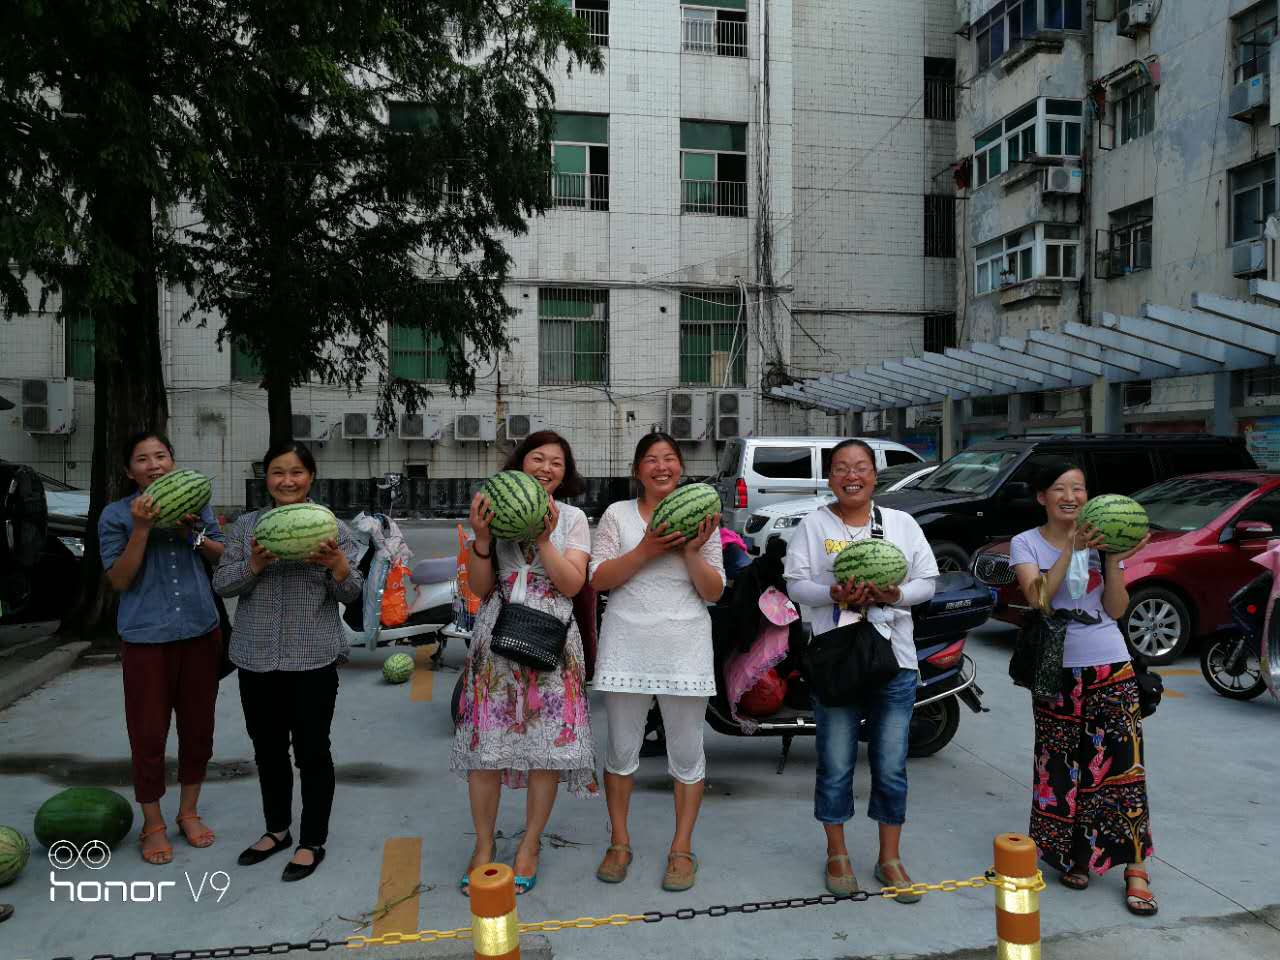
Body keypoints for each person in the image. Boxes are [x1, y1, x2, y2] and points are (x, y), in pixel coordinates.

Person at [783, 439, 938, 902]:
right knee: (835, 763)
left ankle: (889, 858)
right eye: (841, 468)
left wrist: (895, 596)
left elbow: (927, 582)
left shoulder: (902, 524)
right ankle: (838, 854)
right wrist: (832, 593)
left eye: (861, 467)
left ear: (874, 474)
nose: (852, 475)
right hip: (837, 657)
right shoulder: (814, 524)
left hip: (895, 659)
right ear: (830, 477)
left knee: (890, 765)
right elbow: (795, 585)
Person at [450, 431, 598, 896]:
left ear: (565, 474)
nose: (546, 468)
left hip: (551, 639)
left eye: (557, 462)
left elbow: (572, 585)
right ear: (520, 463)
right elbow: (479, 588)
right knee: (486, 750)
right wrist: (482, 538)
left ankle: (530, 845)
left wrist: (545, 540)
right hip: (497, 636)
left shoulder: (573, 519)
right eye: (538, 458)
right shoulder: (492, 511)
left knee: (545, 751)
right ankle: (482, 845)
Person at [1010, 460, 1156, 916]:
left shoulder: (1106, 540)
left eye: (1079, 488)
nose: (1071, 496)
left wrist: (1111, 558)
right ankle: (1076, 855)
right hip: (1056, 672)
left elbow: (1116, 609)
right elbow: (1039, 598)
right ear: (1042, 497)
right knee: (1060, 767)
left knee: (1123, 766)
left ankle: (1135, 867)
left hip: (1110, 664)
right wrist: (1072, 548)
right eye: (1060, 488)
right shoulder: (1026, 542)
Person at [213, 440, 363, 882]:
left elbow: (351, 593)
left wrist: (337, 564)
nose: (287, 480)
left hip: (313, 658)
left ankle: (311, 840)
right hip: (256, 656)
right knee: (268, 750)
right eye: (278, 472)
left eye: (296, 472)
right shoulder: (247, 527)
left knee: (313, 752)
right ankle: (276, 830)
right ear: (267, 479)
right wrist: (255, 565)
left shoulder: (331, 527)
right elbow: (223, 584)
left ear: (310, 477)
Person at [589, 432, 724, 892]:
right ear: (637, 470)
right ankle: (619, 842)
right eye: (651, 459)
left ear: (681, 468)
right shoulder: (617, 514)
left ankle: (681, 848)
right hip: (626, 644)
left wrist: (690, 551)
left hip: (685, 646)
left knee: (687, 755)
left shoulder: (704, 520)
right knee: (620, 751)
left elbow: (714, 591)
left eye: (669, 458)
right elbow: (599, 579)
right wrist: (646, 549)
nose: (661, 466)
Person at [99, 432, 227, 865]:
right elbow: (119, 580)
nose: (154, 465)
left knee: (199, 730)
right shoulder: (116, 515)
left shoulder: (196, 504)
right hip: (146, 638)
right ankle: (152, 824)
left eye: (161, 456)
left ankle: (188, 812)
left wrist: (193, 533)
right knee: (148, 735)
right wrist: (141, 529)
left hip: (199, 632)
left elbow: (220, 556)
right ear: (128, 470)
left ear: (172, 461)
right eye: (142, 459)